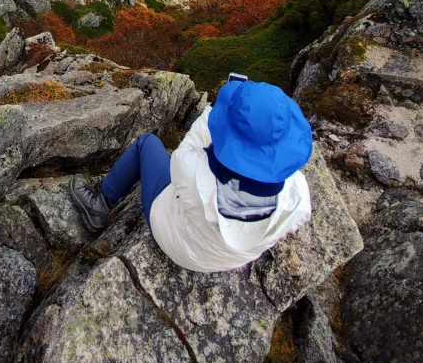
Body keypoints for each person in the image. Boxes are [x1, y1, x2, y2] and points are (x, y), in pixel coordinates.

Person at [70, 76, 313, 273]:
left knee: (147, 143)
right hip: (232, 260)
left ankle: (101, 203)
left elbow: (187, 148)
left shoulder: (193, 170)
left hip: (178, 243)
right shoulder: (298, 193)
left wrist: (215, 112)